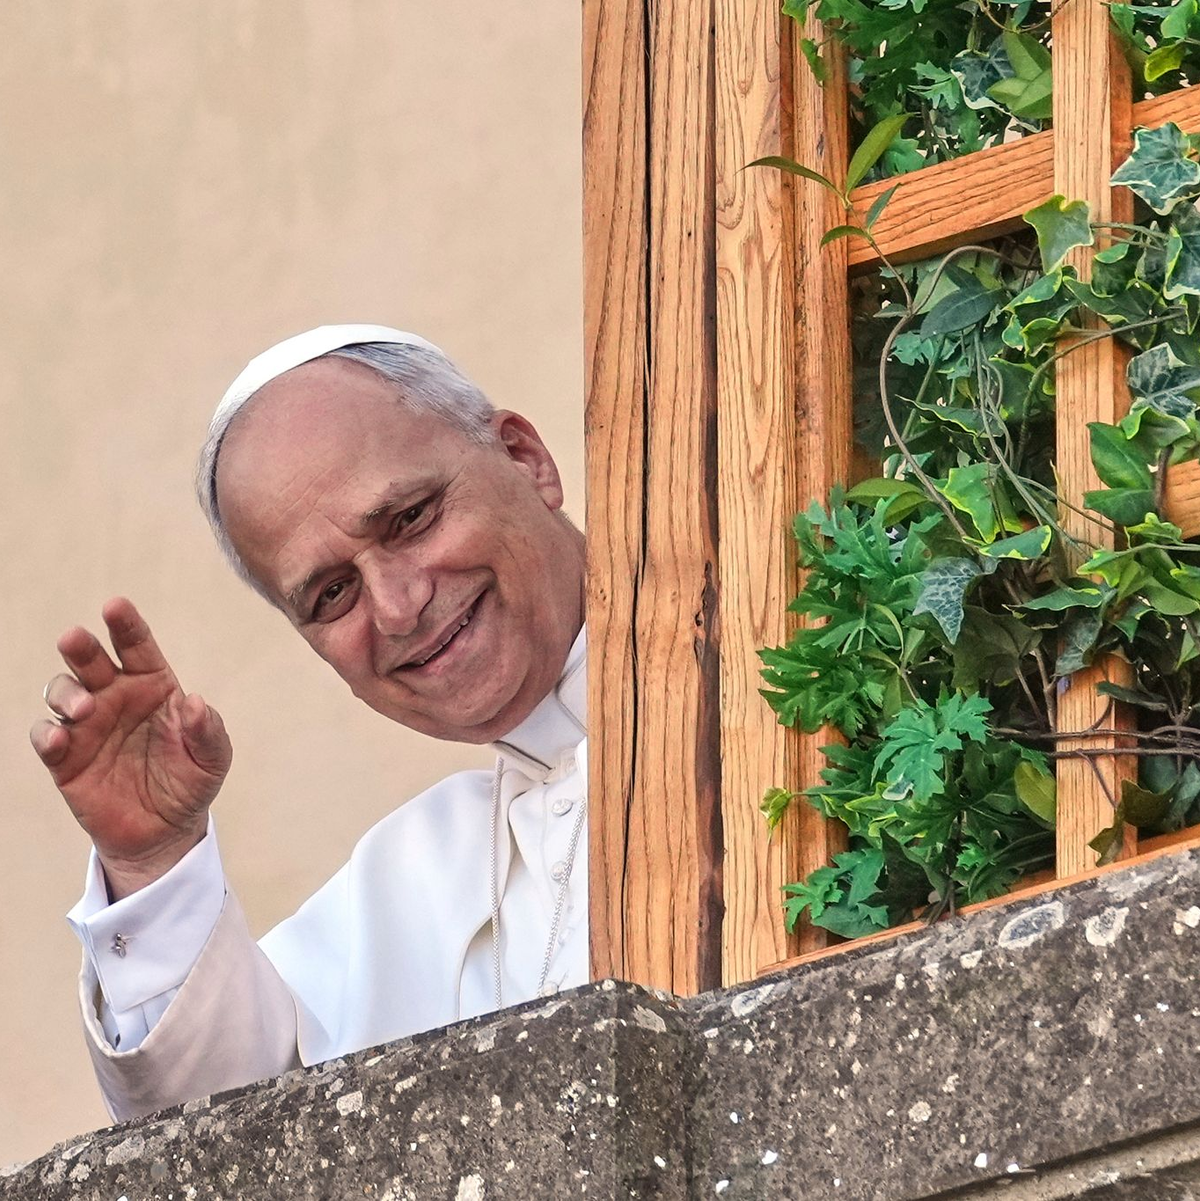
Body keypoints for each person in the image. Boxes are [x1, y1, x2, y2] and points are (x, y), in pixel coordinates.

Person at [30, 326, 589, 1122]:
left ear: (526, 458)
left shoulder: (793, 651)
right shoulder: (414, 872)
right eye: (332, 594)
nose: (399, 608)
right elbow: (231, 1138)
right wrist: (152, 863)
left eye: (409, 519)